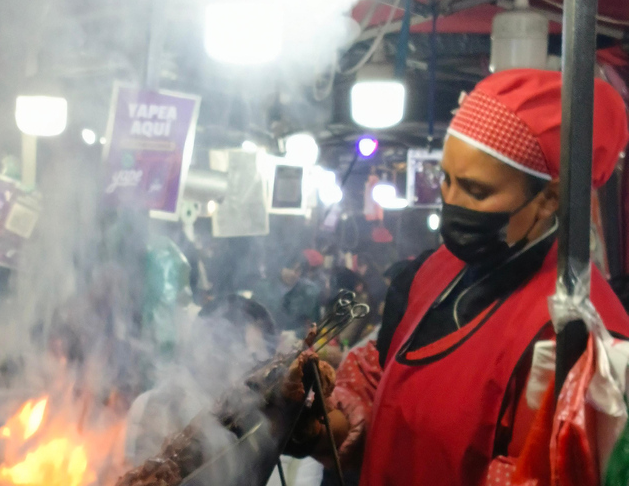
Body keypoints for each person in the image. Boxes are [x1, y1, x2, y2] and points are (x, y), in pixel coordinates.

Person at [281, 69, 629, 486]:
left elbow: (538, 471)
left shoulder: (575, 338)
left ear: (548, 198)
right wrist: (315, 425)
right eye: (446, 180)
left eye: (476, 191)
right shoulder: (432, 274)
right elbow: (378, 401)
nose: (452, 202)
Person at [124, 294, 277, 465]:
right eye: (248, 358)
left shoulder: (247, 419)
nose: (254, 373)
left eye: (259, 362)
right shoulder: (160, 405)